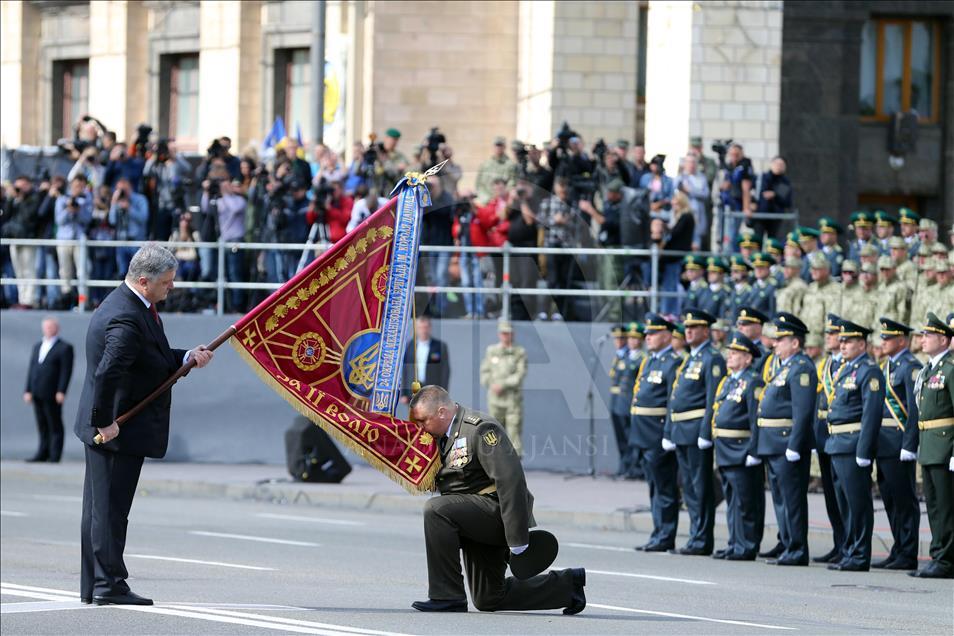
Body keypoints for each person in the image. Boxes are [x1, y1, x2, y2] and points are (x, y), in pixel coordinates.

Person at [74, 244, 214, 605]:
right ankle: (108, 585)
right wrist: (104, 423)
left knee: (100, 508)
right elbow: (109, 372)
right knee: (110, 510)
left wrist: (185, 358)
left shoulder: (132, 304)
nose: (171, 288)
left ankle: (96, 583)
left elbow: (147, 358)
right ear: (143, 280)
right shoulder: (127, 318)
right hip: (116, 430)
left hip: (115, 427)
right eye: (166, 282)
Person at [408, 386, 585, 613]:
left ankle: (446, 596)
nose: (420, 428)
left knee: (436, 510)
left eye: (423, 421)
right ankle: (568, 586)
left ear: (442, 412)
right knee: (489, 598)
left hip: (496, 513)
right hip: (470, 516)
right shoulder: (439, 436)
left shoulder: (480, 429)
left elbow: (511, 481)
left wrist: (517, 539)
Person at [754, 313, 816, 565]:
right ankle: (788, 543)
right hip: (772, 442)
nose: (775, 343)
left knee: (792, 499)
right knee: (780, 498)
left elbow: (802, 412)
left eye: (781, 339)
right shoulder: (784, 367)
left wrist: (795, 444)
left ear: (795, 343)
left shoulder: (801, 368)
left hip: (786, 442)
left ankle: (798, 548)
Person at [663, 309, 726, 556]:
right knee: (688, 486)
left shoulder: (712, 358)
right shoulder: (690, 358)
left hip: (696, 430)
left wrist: (705, 432)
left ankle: (702, 539)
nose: (688, 331)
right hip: (681, 429)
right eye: (686, 327)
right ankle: (694, 536)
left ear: (705, 330)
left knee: (700, 486)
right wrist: (669, 429)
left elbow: (713, 399)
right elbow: (676, 397)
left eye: (694, 327)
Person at [824, 318, 884, 572]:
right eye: (842, 340)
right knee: (844, 504)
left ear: (862, 343)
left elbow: (871, 414)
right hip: (837, 443)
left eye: (848, 341)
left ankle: (860, 555)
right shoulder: (846, 369)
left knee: (857, 503)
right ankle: (849, 551)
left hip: (852, 444)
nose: (843, 344)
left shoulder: (868, 371)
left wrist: (864, 450)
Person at [630, 314, 683, 551]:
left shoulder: (673, 362)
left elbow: (673, 401)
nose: (647, 338)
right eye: (647, 334)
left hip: (658, 433)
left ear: (667, 335)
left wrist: (668, 434)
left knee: (665, 487)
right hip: (643, 433)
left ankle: (665, 534)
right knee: (654, 486)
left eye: (653, 334)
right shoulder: (649, 361)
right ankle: (658, 531)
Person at [873, 317, 922, 571]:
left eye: (888, 338)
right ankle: (898, 546)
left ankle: (908, 551)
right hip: (883, 443)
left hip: (899, 442)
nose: (883, 342)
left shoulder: (910, 367)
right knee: (890, 499)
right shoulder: (886, 366)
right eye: (883, 338)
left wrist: (909, 443)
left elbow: (914, 410)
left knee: (904, 500)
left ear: (902, 340)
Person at [712, 331, 765, 560]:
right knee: (732, 500)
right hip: (725, 448)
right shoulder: (729, 381)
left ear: (748, 359)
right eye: (730, 352)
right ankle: (735, 542)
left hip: (741, 448)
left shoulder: (753, 382)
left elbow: (756, 418)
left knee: (746, 501)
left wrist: (754, 450)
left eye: (736, 353)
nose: (730, 356)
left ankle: (747, 545)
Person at [909, 313, 954, 579]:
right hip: (928, 447)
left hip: (945, 447)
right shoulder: (928, 371)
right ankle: (939, 555)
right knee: (934, 505)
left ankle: (946, 559)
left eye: (928, 335)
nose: (923, 340)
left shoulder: (950, 369)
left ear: (944, 339)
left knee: (946, 506)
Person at [811, 314, 848, 564]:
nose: (828, 338)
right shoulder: (825, 365)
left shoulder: (849, 364)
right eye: (827, 334)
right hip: (824, 434)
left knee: (844, 493)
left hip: (841, 434)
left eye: (833, 334)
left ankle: (849, 544)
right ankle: (839, 542)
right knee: (831, 495)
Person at [24, 317, 74, 462]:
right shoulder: (38, 345)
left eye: (51, 327)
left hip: (52, 392)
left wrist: (62, 390)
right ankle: (42, 452)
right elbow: (32, 369)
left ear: (57, 328)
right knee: (42, 424)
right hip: (37, 390)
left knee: (54, 423)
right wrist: (28, 390)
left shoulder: (64, 347)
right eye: (46, 327)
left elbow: (66, 371)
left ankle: (54, 454)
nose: (48, 329)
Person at [479, 321, 528, 456]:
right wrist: (491, 384)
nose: (506, 336)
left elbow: (520, 375)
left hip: (512, 401)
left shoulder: (519, 352)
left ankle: (515, 467)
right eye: (504, 333)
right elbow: (484, 372)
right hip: (495, 400)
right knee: (493, 433)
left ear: (513, 334)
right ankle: (495, 466)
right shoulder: (492, 351)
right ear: (499, 334)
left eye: (509, 333)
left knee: (514, 435)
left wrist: (503, 385)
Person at [401, 315, 451, 402]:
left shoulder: (439, 346)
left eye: (426, 327)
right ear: (416, 329)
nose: (423, 330)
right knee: (414, 414)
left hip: (432, 390)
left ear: (430, 328)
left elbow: (445, 371)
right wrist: (403, 393)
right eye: (420, 327)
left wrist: (443, 393)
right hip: (413, 390)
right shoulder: (409, 346)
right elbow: (405, 369)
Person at [475, 137, 517, 204]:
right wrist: (486, 199)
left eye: (500, 145)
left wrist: (499, 198)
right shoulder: (485, 164)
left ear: (504, 147)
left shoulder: (511, 165)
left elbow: (512, 184)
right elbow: (479, 184)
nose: (498, 148)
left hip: (502, 202)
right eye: (497, 145)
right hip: (485, 201)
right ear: (493, 147)